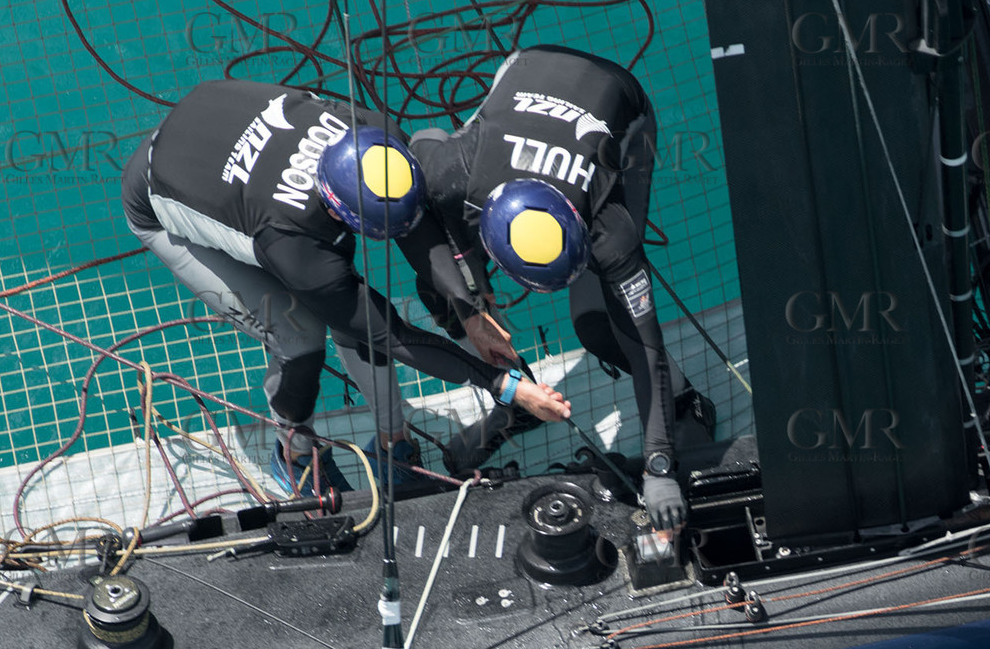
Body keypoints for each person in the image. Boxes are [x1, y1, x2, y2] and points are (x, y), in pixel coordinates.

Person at [120, 78, 571, 497]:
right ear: (337, 210)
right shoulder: (295, 245)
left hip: (217, 133)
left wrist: (468, 311)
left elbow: (415, 223)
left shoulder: (374, 130)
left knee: (349, 305)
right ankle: (296, 456)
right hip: (161, 195)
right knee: (300, 338)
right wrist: (502, 385)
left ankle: (392, 444)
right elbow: (389, 334)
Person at [408, 44, 716, 530]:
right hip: (527, 66)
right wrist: (473, 295)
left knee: (599, 325)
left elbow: (647, 346)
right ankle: (519, 399)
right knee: (440, 290)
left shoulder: (609, 231)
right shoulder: (451, 172)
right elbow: (423, 140)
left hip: (617, 98)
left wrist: (659, 466)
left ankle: (684, 402)